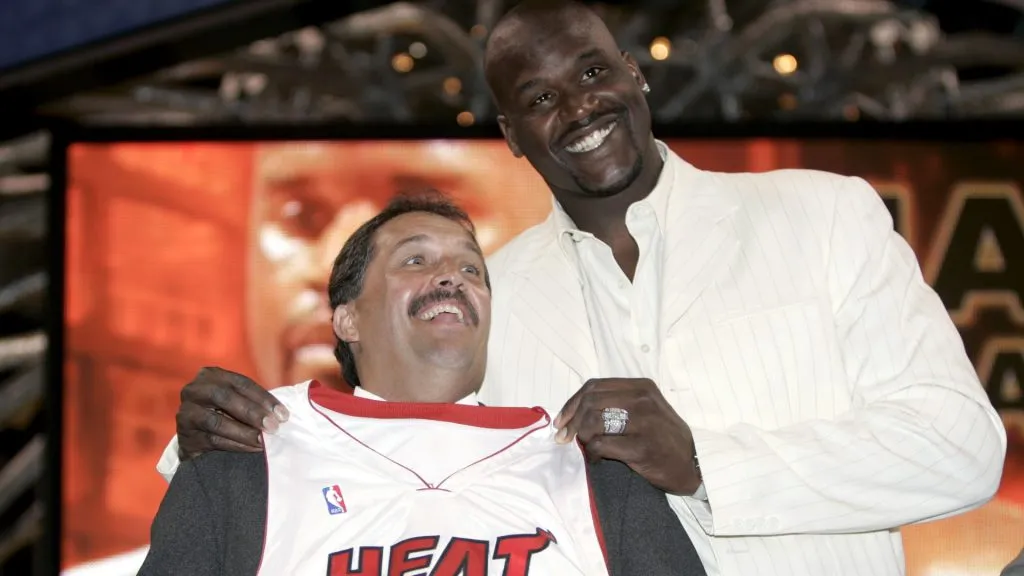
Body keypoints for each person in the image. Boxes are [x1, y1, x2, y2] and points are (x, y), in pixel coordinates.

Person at [158, 2, 1008, 574]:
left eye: (594, 74)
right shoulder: (492, 296)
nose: (578, 108)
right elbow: (382, 435)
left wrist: (707, 465)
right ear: (513, 138)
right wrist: (205, 436)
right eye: (540, 98)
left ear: (636, 76)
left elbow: (961, 448)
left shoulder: (822, 215)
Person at [139, 193, 705, 576]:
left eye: (471, 270)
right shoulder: (244, 463)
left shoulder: (594, 471)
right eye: (415, 260)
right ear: (347, 319)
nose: (451, 280)